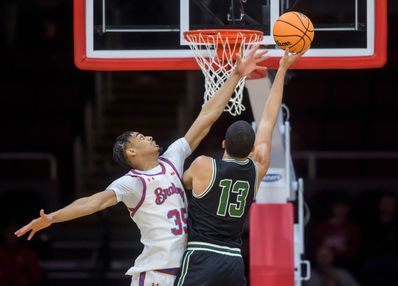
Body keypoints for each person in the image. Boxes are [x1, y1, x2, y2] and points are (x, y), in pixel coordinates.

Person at [14, 45, 267, 286]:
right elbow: (93, 202)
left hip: (187, 270)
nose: (149, 137)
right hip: (155, 273)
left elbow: (206, 117)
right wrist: (53, 218)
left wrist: (236, 75)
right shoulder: (131, 182)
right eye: (141, 137)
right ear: (131, 151)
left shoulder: (173, 159)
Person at [174, 49, 303, 286]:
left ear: (223, 143)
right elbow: (268, 120)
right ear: (253, 148)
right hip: (233, 261)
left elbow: (176, 186)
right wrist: (282, 68)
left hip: (201, 255)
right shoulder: (257, 168)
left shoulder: (203, 166)